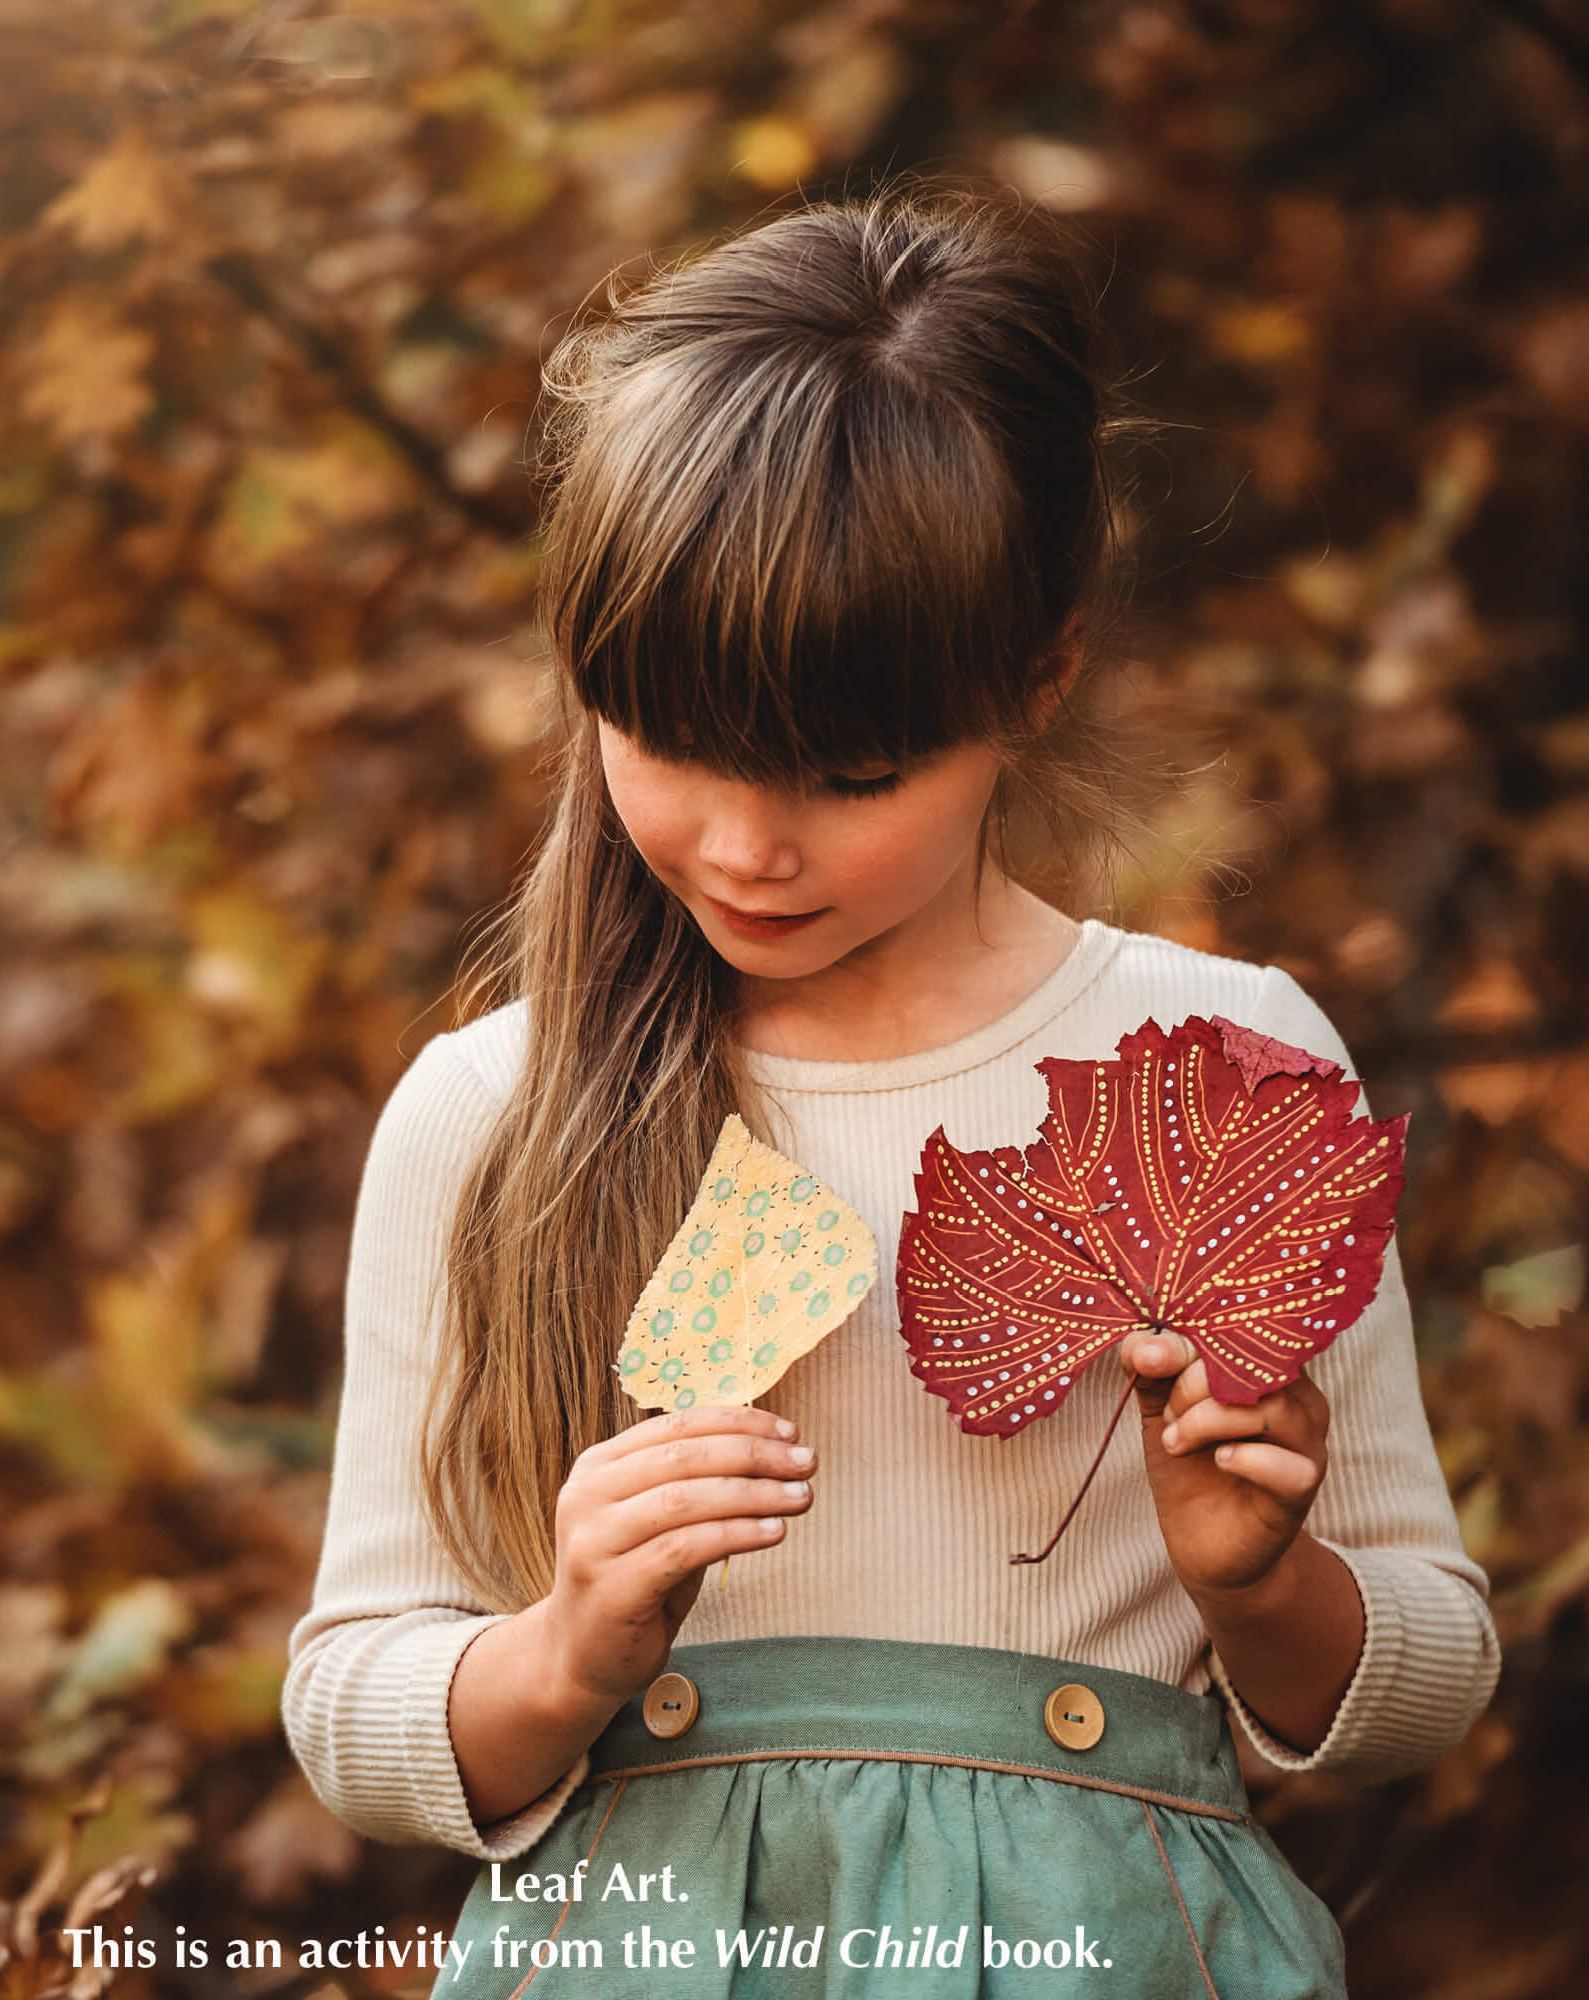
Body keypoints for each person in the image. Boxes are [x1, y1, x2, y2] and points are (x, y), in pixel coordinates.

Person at [281, 183, 1500, 1998]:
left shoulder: (1216, 1068)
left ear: (1040, 676)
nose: (750, 846)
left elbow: (1427, 1669)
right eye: (672, 746)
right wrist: (566, 1647)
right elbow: (352, 1689)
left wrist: (1265, 1590)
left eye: (850, 774)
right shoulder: (494, 1114)